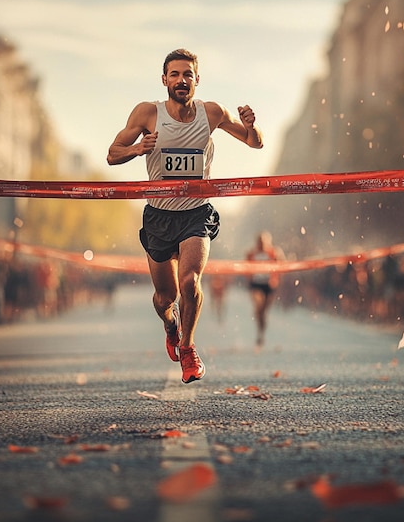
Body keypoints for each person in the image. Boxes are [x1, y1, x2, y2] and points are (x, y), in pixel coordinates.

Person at [107, 48, 263, 383]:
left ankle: (189, 349)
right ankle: (171, 324)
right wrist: (137, 149)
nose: (181, 80)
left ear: (196, 80)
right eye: (174, 74)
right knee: (166, 297)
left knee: (190, 282)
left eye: (187, 75)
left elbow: (254, 143)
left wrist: (253, 127)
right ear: (164, 79)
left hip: (196, 213)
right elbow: (112, 154)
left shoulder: (212, 113)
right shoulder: (148, 113)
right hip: (159, 216)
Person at [246, 231, 284, 347]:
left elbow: (282, 264)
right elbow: (245, 267)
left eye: (263, 242)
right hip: (256, 284)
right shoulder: (251, 254)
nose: (261, 244)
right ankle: (259, 331)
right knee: (259, 307)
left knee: (263, 312)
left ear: (268, 242)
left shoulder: (273, 252)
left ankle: (261, 333)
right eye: (259, 242)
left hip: (269, 285)